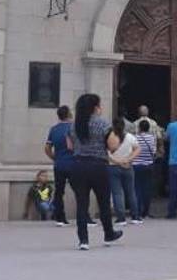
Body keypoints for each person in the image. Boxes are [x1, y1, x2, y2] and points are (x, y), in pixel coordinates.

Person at [69, 93, 124, 250]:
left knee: (82, 203)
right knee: (103, 202)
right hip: (98, 165)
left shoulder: (74, 125)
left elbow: (71, 146)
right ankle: (108, 233)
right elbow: (113, 146)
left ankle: (83, 240)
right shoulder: (102, 124)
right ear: (95, 108)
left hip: (78, 165)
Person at [44, 105, 75, 226]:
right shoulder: (73, 128)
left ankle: (60, 218)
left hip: (59, 164)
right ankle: (85, 216)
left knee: (59, 191)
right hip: (73, 163)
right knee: (79, 190)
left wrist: (54, 158)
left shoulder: (54, 129)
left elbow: (47, 148)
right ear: (69, 114)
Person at [108, 117, 141, 225]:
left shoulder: (110, 137)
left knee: (117, 193)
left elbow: (107, 153)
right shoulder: (130, 137)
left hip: (113, 167)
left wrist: (117, 161)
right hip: (128, 167)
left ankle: (121, 217)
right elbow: (138, 149)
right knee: (131, 192)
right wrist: (128, 159)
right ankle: (135, 216)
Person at [132, 119, 158, 220]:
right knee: (147, 189)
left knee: (137, 189)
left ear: (139, 128)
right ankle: (146, 212)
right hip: (148, 165)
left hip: (136, 165)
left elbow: (132, 150)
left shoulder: (135, 138)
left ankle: (137, 211)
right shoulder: (152, 138)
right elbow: (154, 151)